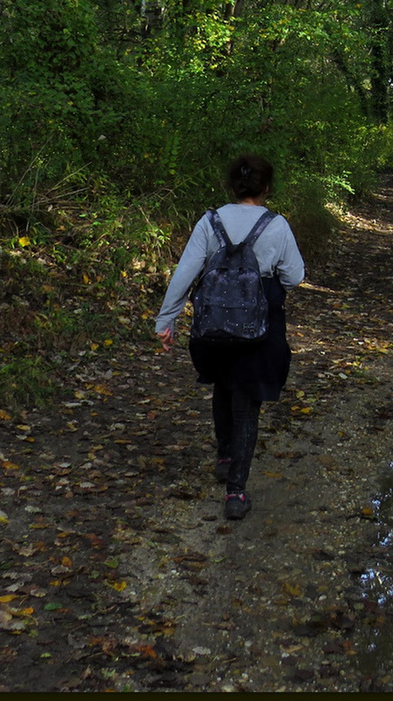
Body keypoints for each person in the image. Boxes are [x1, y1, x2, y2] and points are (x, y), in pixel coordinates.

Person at [154, 154, 305, 520]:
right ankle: (236, 493)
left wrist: (166, 319)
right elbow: (295, 276)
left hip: (212, 327)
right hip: (261, 328)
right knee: (247, 400)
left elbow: (186, 271)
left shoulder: (210, 221)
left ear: (232, 186)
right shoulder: (277, 224)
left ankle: (224, 455)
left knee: (222, 384)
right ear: (266, 188)